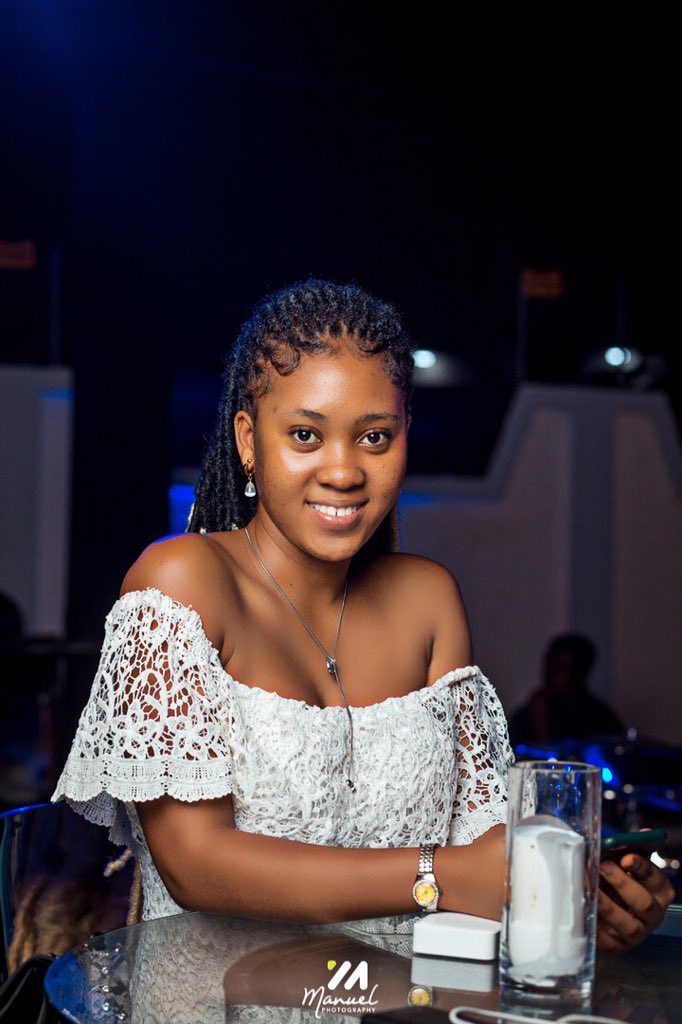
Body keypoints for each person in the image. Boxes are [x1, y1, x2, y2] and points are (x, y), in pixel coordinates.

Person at [53, 280, 673, 956]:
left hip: (414, 996)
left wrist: (584, 897)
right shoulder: (180, 582)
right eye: (305, 435)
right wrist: (439, 875)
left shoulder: (429, 599)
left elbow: (484, 854)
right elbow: (195, 864)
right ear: (248, 440)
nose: (344, 471)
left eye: (374, 437)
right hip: (216, 993)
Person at [509, 633, 623, 747]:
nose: (549, 674)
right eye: (548, 666)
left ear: (581, 673)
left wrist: (541, 728)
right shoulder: (527, 715)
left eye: (559, 669)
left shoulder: (599, 719)